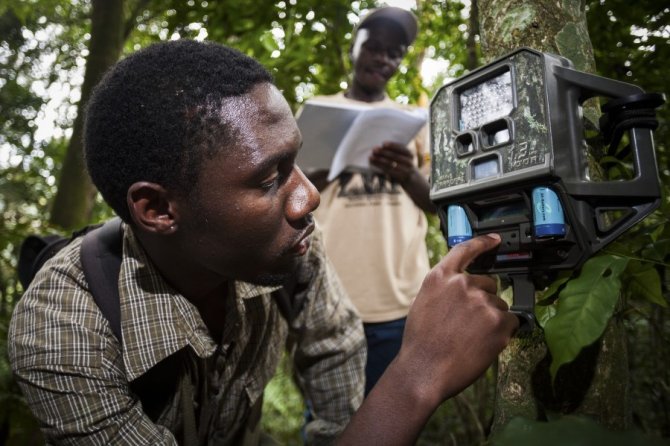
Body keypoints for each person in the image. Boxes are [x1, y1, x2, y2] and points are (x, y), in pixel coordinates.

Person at [9, 39, 518, 446]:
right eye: (269, 178)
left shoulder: (291, 249)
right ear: (160, 210)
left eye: (294, 160)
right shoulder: (61, 329)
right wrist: (417, 378)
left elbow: (334, 350)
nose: (309, 197)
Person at [305, 7, 436, 394]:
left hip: (401, 302)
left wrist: (407, 173)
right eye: (374, 47)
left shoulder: (414, 121)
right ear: (354, 48)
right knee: (330, 423)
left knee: (393, 414)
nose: (383, 58)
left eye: (394, 53)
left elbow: (437, 202)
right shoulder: (318, 113)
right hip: (330, 300)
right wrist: (333, 163)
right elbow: (289, 197)